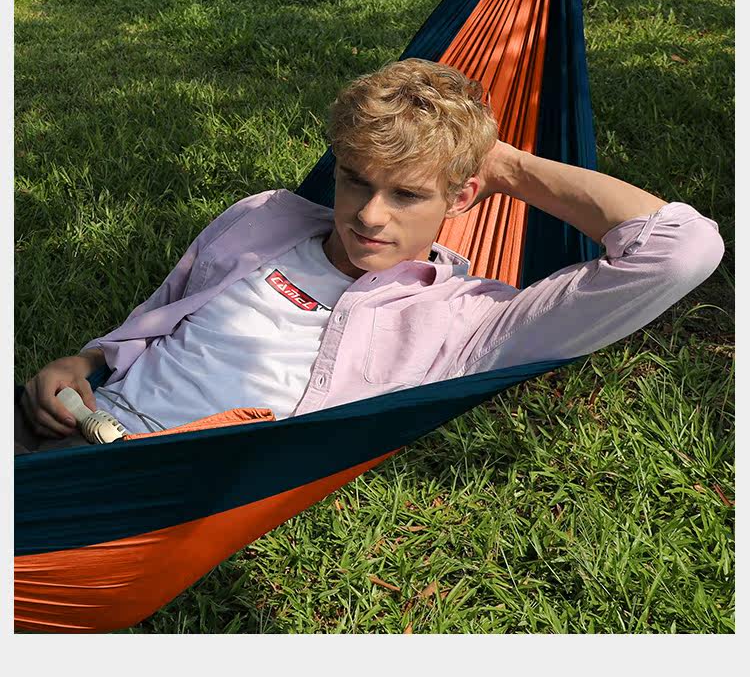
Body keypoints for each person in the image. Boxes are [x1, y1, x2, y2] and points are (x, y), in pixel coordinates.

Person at [16, 58, 725, 453]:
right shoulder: (264, 218)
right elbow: (162, 312)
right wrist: (84, 362)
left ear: (464, 196)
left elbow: (681, 250)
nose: (369, 214)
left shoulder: (466, 323)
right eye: (356, 179)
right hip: (87, 417)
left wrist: (505, 165)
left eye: (407, 194)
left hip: (153, 482)